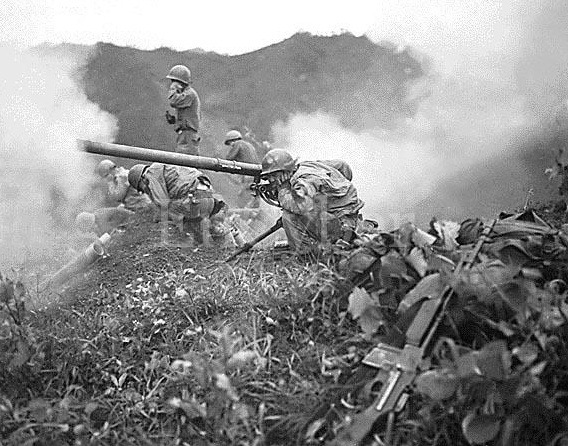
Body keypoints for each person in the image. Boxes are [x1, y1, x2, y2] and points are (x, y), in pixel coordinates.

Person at [260, 149, 364, 254]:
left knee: (289, 216)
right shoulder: (308, 166)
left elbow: (301, 206)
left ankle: (306, 255)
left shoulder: (304, 179)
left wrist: (283, 189)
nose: (271, 180)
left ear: (285, 171)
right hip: (347, 217)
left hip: (342, 225)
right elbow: (342, 166)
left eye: (274, 175)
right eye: (269, 177)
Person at [127, 163, 227, 245]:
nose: (145, 191)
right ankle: (223, 242)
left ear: (141, 179)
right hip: (209, 197)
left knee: (174, 213)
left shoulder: (150, 174)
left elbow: (163, 203)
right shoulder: (165, 166)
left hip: (195, 201)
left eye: (142, 189)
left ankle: (191, 246)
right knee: (209, 228)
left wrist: (157, 220)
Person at [165, 65, 201, 155]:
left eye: (174, 81)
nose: (172, 83)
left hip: (188, 136)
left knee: (184, 161)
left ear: (180, 83)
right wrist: (175, 120)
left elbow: (173, 102)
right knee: (182, 160)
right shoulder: (185, 94)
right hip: (184, 135)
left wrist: (173, 88)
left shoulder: (190, 94)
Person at [224, 130, 261, 208]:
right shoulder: (249, 145)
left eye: (230, 143)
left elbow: (229, 158)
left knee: (243, 196)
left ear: (232, 140)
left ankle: (242, 210)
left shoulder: (238, 144)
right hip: (256, 173)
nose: (231, 146)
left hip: (247, 173)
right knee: (253, 194)